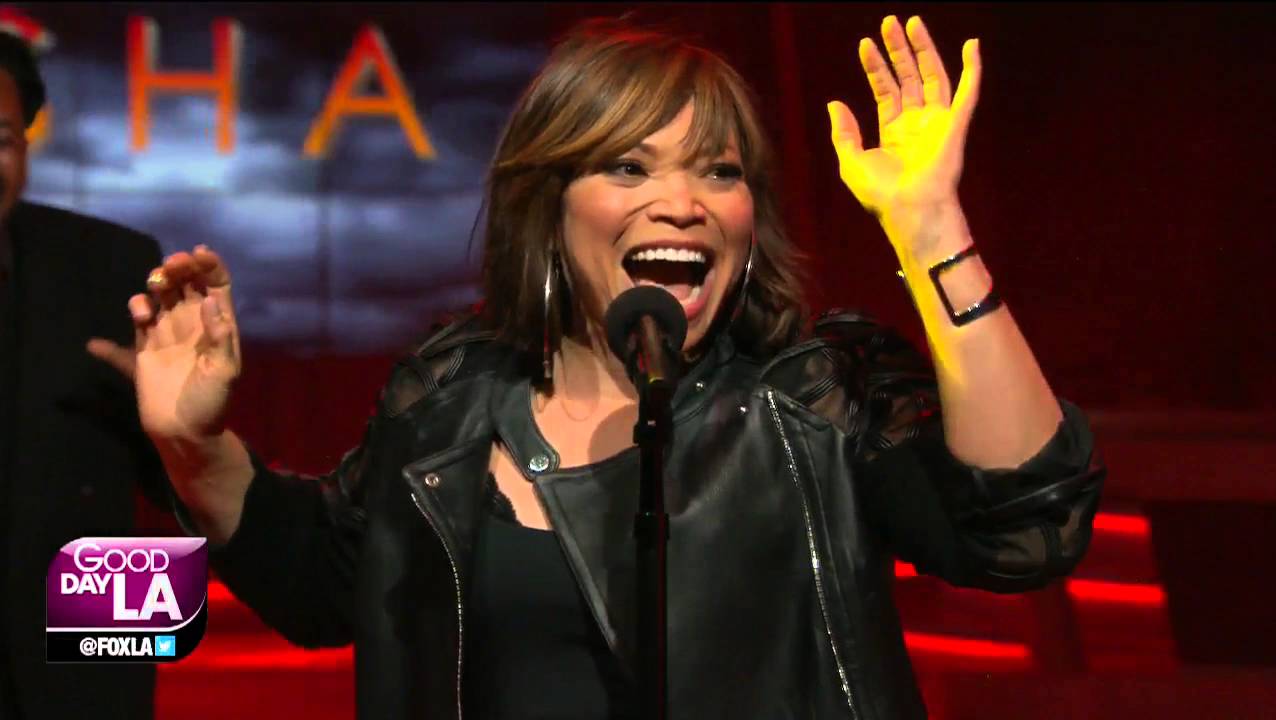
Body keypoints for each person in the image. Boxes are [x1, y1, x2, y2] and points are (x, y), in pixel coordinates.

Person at [127, 15, 1104, 719]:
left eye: (720, 170)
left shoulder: (812, 393)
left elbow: (1024, 523)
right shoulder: (451, 394)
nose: (683, 202)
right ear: (549, 207)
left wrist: (929, 225)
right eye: (629, 168)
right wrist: (193, 445)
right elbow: (327, 584)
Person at [0, 30, 167, 720]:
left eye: (0, 139)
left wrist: (193, 431)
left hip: (79, 681)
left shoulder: (111, 270)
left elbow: (181, 487)